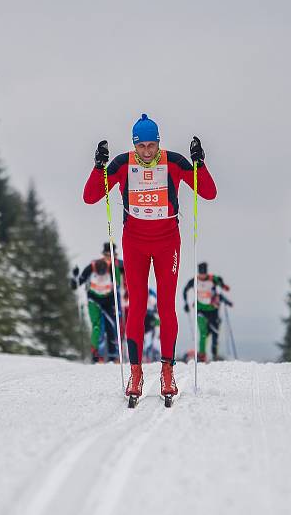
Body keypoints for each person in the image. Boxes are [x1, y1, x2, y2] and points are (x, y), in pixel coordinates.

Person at [83, 113, 217, 399]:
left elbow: (209, 192)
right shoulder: (122, 164)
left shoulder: (175, 162)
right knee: (137, 306)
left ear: (158, 142)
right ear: (134, 145)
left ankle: (167, 372)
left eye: (151, 145)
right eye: (141, 145)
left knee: (167, 306)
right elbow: (90, 196)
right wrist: (98, 168)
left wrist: (200, 165)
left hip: (168, 243)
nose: (146, 151)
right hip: (134, 244)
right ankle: (136, 373)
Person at [71, 243, 126, 363]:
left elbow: (131, 275)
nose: (109, 258)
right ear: (103, 255)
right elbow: (79, 281)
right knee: (97, 327)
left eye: (112, 255)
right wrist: (74, 279)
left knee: (112, 326)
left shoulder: (118, 265)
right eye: (107, 255)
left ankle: (114, 356)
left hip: (110, 299)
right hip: (94, 299)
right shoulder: (93, 265)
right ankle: (96, 356)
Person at [183, 262, 231, 362]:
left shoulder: (212, 279)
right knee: (203, 333)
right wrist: (186, 304)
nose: (202, 275)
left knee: (215, 332)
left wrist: (222, 284)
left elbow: (224, 287)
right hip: (200, 309)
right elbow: (185, 290)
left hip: (213, 310)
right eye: (201, 273)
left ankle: (214, 354)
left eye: (204, 273)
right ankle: (202, 356)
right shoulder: (194, 280)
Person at [142, 288, 161, 363]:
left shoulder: (152, 297)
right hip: (146, 319)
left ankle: (153, 355)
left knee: (153, 338)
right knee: (147, 339)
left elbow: (157, 312)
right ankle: (147, 355)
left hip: (151, 319)